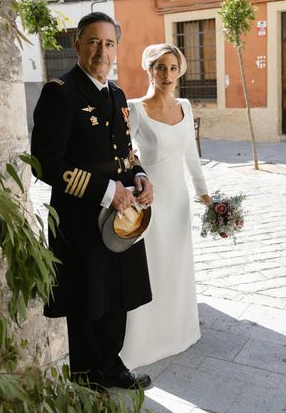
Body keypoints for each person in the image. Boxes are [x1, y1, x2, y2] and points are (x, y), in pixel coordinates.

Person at [30, 12, 153, 390]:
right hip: (81, 215)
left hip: (122, 214)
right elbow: (45, 163)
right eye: (94, 42)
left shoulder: (115, 94)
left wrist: (140, 175)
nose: (103, 51)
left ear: (117, 49)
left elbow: (125, 152)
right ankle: (85, 377)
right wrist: (104, 191)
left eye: (110, 43)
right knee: (87, 298)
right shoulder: (60, 92)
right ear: (77, 44)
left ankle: (111, 366)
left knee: (117, 295)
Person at [119, 43, 212, 368]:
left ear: (180, 71)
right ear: (149, 70)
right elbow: (123, 154)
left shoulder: (185, 107)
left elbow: (191, 155)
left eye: (173, 68)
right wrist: (131, 185)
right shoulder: (135, 108)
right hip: (150, 201)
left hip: (179, 203)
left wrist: (206, 196)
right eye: (160, 67)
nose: (167, 74)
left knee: (177, 267)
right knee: (149, 268)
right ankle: (143, 343)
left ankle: (179, 332)